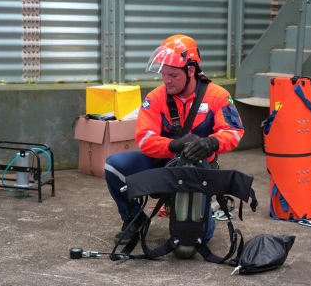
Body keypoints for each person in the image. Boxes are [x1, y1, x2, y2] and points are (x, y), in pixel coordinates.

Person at [104, 34, 245, 245]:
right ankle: (134, 219)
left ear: (191, 70)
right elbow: (144, 139)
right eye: (163, 74)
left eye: (173, 75)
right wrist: (172, 145)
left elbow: (234, 131)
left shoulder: (218, 96)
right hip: (162, 167)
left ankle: (190, 210)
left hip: (197, 173)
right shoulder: (155, 98)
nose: (166, 80)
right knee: (114, 166)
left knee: (199, 239)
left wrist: (211, 143)